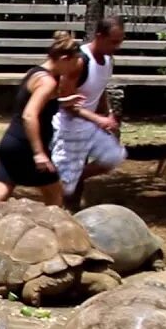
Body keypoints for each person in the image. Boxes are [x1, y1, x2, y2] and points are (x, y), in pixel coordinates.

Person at [0, 31, 85, 217]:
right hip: (26, 148)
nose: (75, 69)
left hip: (11, 142)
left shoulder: (35, 72)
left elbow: (36, 104)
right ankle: (55, 237)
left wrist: (63, 102)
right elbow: (30, 115)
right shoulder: (47, 81)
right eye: (74, 63)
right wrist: (39, 153)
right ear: (65, 58)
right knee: (55, 196)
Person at [53, 16, 129, 211]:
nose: (117, 46)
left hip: (89, 124)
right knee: (67, 187)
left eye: (120, 41)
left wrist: (108, 113)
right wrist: (98, 119)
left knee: (114, 156)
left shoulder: (108, 60)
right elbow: (66, 102)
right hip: (68, 126)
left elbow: (100, 88)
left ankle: (72, 177)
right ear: (99, 36)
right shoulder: (79, 61)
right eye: (113, 41)